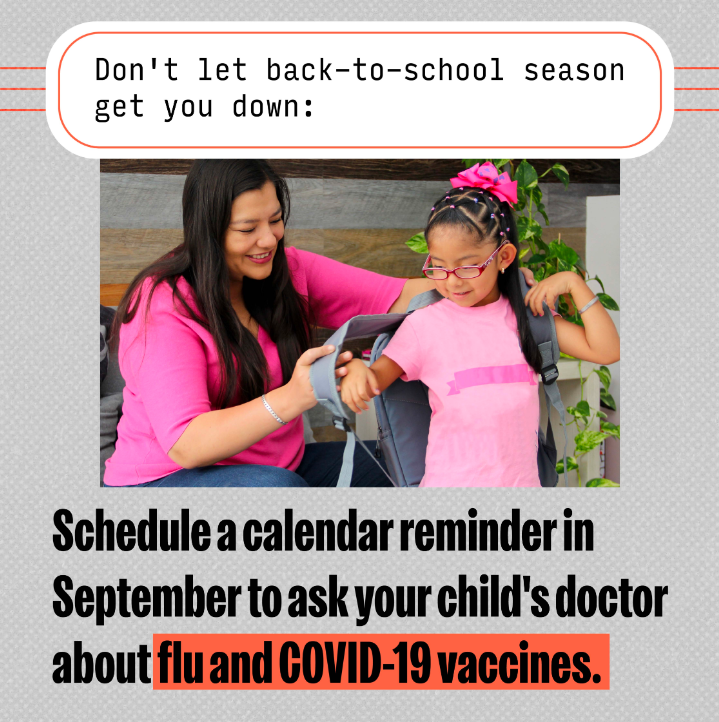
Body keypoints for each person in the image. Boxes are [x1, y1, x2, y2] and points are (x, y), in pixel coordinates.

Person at [104, 159, 437, 488]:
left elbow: (404, 296)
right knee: (275, 489)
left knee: (406, 466)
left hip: (279, 469)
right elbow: (187, 444)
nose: (268, 239)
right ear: (208, 229)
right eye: (248, 229)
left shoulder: (288, 271)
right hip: (166, 479)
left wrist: (477, 276)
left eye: (275, 220)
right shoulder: (162, 303)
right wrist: (295, 395)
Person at [339, 162, 620, 487]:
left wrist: (574, 283)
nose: (452, 281)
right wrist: (359, 373)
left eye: (467, 267)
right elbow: (375, 378)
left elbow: (606, 350)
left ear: (504, 257)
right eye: (439, 267)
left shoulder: (527, 318)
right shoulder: (425, 325)